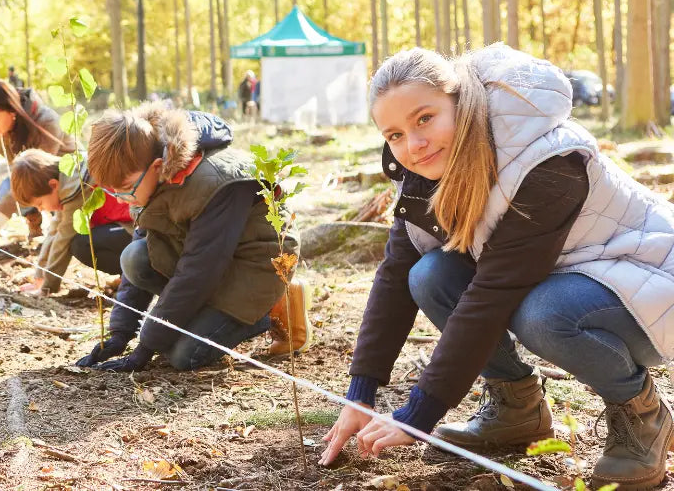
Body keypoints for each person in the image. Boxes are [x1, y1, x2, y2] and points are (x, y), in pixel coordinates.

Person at [317, 46, 674, 490]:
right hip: (565, 276)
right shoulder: (425, 172)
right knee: (428, 275)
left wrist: (417, 415)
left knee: (543, 314)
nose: (414, 144)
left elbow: (494, 292)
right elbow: (394, 275)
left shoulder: (547, 160)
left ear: (460, 100)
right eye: (394, 134)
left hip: (648, 282)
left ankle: (642, 414)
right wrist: (360, 394)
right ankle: (516, 408)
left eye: (424, 118)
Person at [75, 104, 298, 372]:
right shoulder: (146, 177)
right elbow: (151, 247)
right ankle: (202, 318)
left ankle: (267, 313)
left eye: (124, 189)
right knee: (134, 258)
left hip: (257, 264)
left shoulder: (213, 182)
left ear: (157, 166)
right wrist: (120, 333)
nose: (123, 199)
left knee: (183, 356)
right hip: (212, 261)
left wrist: (144, 349)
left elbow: (197, 273)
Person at [0, 79, 78, 247]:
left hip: (67, 179)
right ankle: (36, 226)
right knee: (8, 186)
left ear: (12, 111)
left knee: (23, 187)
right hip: (37, 182)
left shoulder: (45, 121)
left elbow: (38, 175)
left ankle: (64, 231)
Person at [9, 149, 134, 295]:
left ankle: (133, 275)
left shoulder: (75, 189)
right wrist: (39, 276)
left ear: (53, 185)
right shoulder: (67, 182)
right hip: (121, 225)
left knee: (81, 244)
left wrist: (47, 287)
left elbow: (63, 241)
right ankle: (128, 275)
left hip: (137, 229)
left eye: (40, 203)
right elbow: (53, 232)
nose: (41, 209)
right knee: (81, 241)